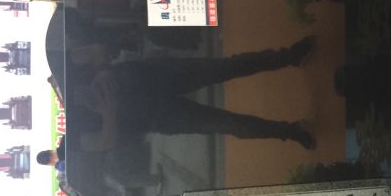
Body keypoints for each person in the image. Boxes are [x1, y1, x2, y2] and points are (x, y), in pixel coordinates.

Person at [69, 36, 316, 152]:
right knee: (228, 123)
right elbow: (104, 142)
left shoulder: (63, 68)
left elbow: (97, 47)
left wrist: (102, 72)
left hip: (151, 76)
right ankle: (292, 132)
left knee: (226, 67)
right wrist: (109, 112)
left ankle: (290, 56)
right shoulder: (69, 140)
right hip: (156, 116)